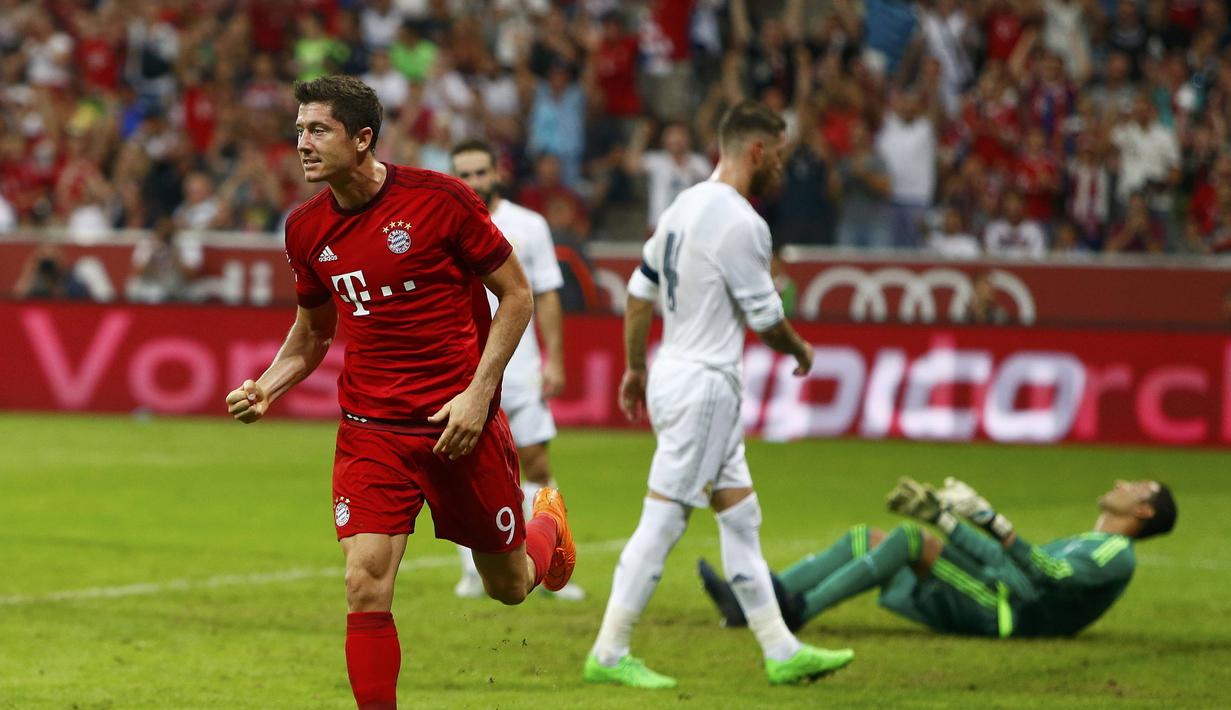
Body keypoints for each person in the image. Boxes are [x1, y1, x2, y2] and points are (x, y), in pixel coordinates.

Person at [224, 75, 574, 710]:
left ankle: (546, 524)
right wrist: (268, 386)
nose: (302, 143)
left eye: (318, 130)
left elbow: (518, 295)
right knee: (364, 583)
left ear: (362, 138)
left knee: (509, 586)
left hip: (456, 424)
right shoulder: (304, 228)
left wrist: (478, 394)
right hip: (372, 430)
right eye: (299, 130)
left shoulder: (441, 200)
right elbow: (312, 332)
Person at [583, 100, 854, 690]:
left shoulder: (682, 207)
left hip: (676, 373)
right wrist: (800, 349)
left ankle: (781, 649)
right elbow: (767, 320)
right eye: (778, 155)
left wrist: (636, 369)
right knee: (663, 520)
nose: (781, 166)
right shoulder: (742, 222)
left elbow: (639, 293)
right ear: (756, 151)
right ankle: (609, 650)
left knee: (740, 516)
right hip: (706, 385)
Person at [699, 477, 1177, 639]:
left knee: (908, 540)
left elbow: (1047, 576)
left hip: (1005, 614)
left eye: (1136, 487)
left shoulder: (1117, 554)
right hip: (999, 592)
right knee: (867, 538)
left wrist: (993, 521)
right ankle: (756, 602)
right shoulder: (1090, 542)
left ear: (1143, 512)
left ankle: (796, 613)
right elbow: (1007, 561)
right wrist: (945, 519)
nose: (1121, 483)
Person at [449, 138, 585, 601]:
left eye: (480, 172)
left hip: (520, 366)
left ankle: (552, 568)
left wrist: (555, 359)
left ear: (497, 173)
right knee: (463, 470)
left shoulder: (529, 225)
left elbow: (545, 293)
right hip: (463, 370)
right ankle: (473, 571)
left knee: (538, 463)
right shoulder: (443, 222)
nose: (473, 181)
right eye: (464, 174)